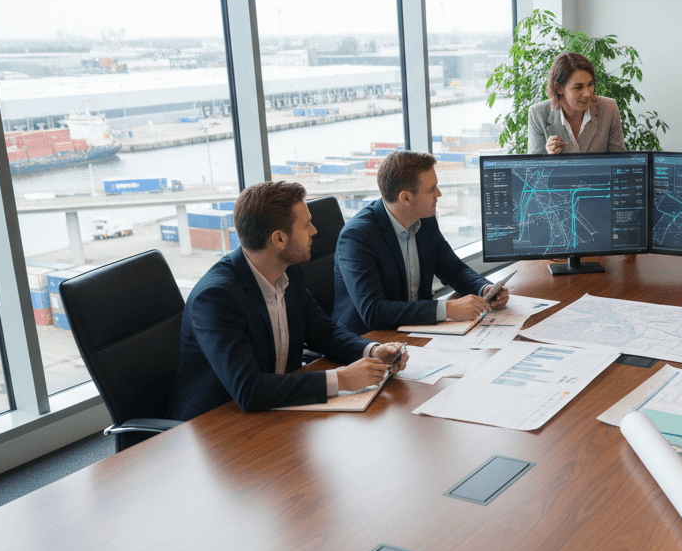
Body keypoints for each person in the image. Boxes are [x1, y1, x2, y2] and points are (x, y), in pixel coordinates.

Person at [169, 181, 407, 421]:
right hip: (214, 427)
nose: (314, 230)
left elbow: (323, 332)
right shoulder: (215, 298)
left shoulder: (287, 271)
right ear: (279, 239)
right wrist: (342, 379)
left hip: (277, 412)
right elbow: (249, 389)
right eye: (306, 225)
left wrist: (372, 351)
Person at [332, 150, 509, 332]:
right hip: (367, 341)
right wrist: (448, 309)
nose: (438, 194)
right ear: (406, 198)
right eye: (431, 189)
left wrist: (485, 288)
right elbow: (374, 311)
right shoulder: (357, 236)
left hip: (416, 329)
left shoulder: (425, 219)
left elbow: (453, 269)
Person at [527, 51, 626, 155]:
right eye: (578, 87)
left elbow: (620, 161)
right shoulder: (538, 114)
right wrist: (549, 157)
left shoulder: (609, 108)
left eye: (590, 84)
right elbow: (534, 169)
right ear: (559, 88)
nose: (587, 93)